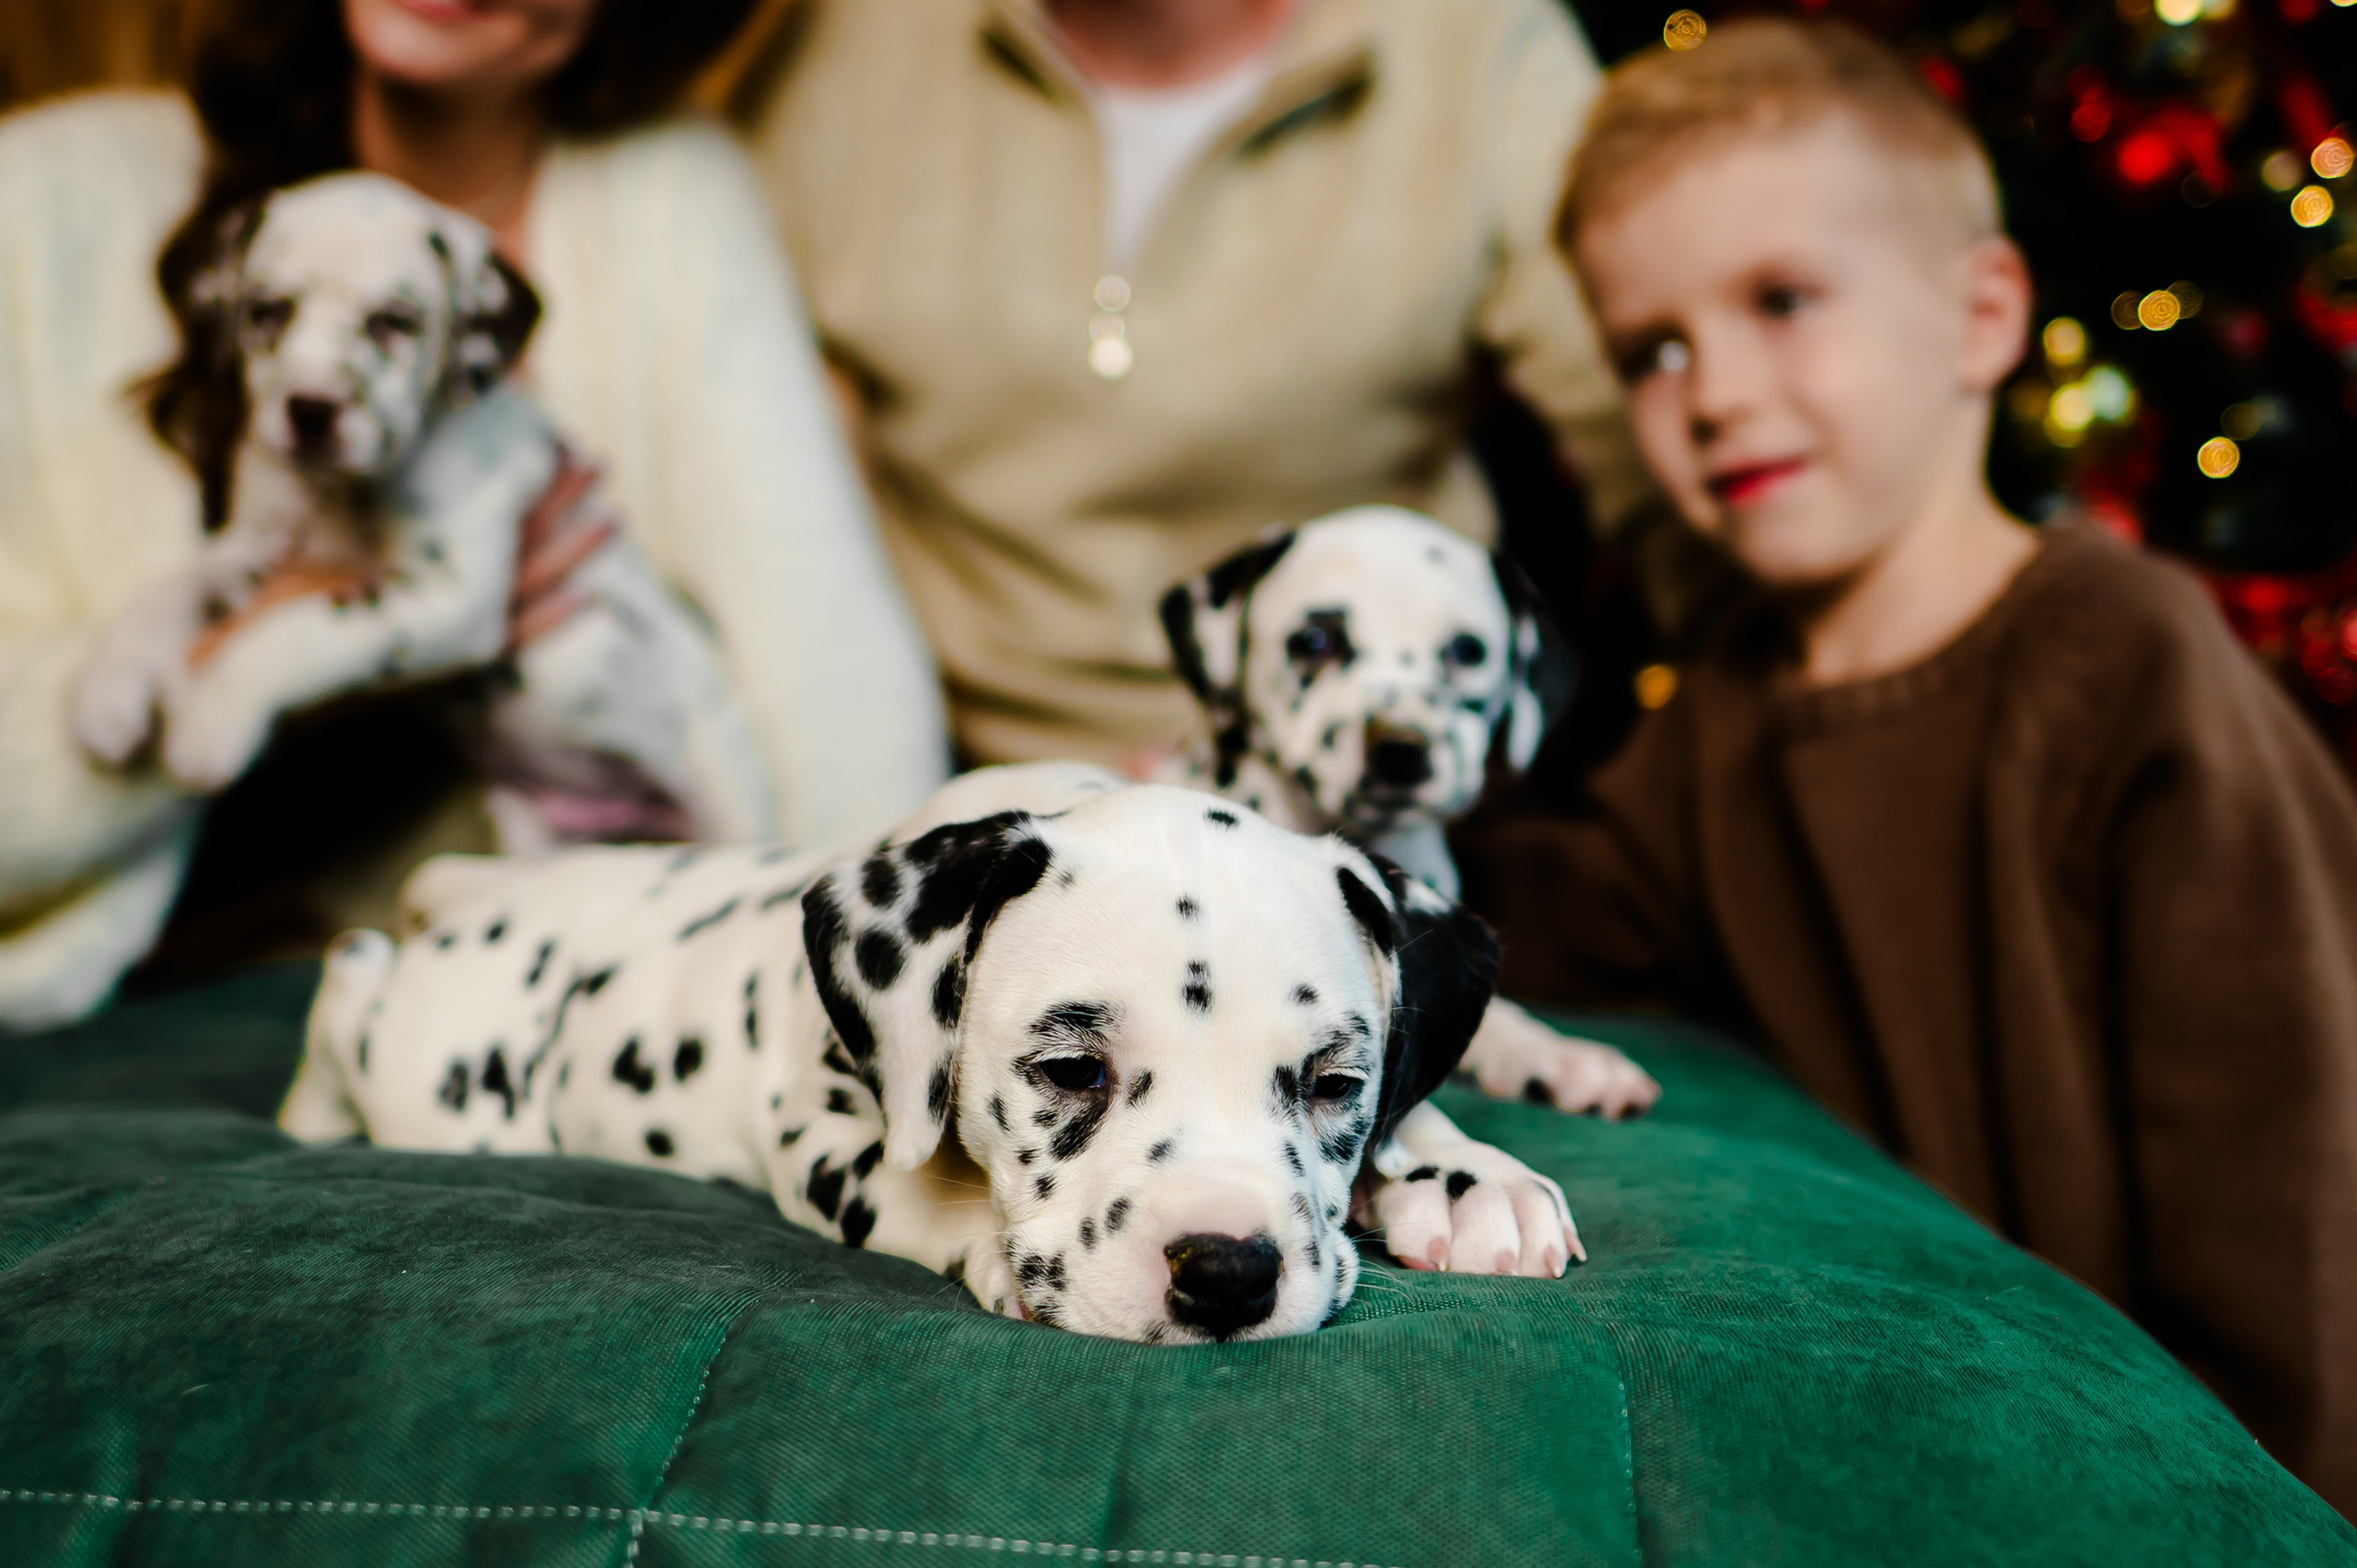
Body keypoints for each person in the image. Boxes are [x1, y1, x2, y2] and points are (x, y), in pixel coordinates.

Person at [1455, 17, 2357, 1508]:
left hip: (2181, 1469)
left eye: (1781, 300)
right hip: (1902, 1445)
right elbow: (1541, 918)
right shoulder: (1722, 712)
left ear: (1984, 316)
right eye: (1653, 350)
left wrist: (2264, 1508)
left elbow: (2289, 1175)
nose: (1713, 391)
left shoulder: (2126, 657)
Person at [0, 0, 948, 1028]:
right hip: (104, 991)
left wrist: (893, 1000)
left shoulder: (671, 195)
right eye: (272, 314)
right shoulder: (47, 200)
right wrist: (259, 634)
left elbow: (824, 651)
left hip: (505, 960)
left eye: (392, 325)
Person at [744, 0, 1671, 769]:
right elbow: (736, 465)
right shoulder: (848, 45)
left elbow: (1661, 447)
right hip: (944, 783)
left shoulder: (1474, 47)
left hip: (1348, 781)